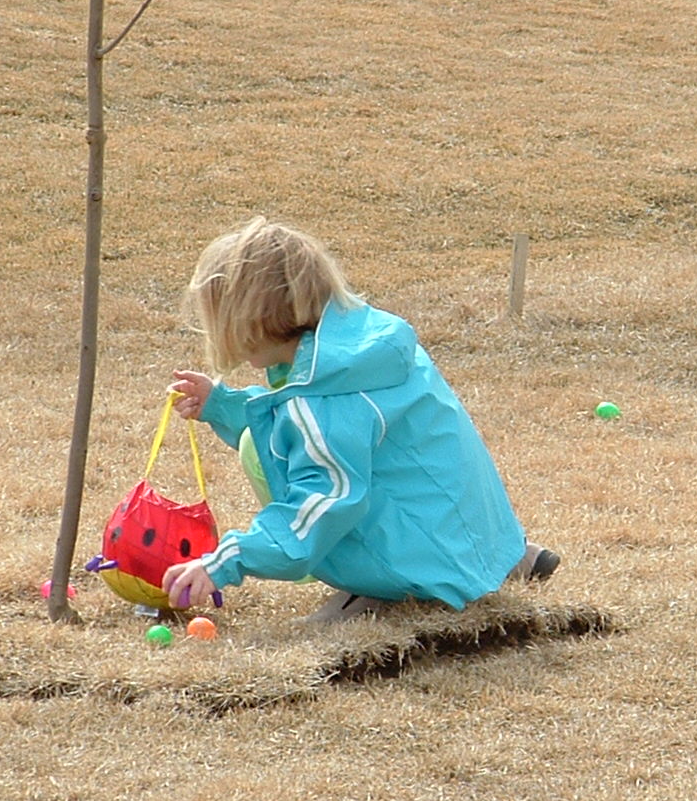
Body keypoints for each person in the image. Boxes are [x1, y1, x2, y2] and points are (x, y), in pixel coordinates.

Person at [159, 216, 558, 622]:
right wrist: (224, 405)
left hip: (429, 563)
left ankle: (383, 588)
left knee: (269, 458)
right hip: (481, 538)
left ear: (252, 318)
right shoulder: (360, 348)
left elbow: (320, 501)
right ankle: (506, 559)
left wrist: (222, 561)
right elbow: (301, 419)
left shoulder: (324, 400)